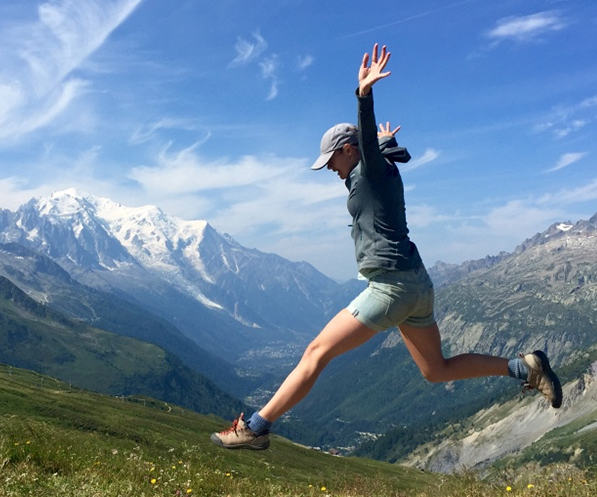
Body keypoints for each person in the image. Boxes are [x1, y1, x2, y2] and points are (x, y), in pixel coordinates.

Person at [212, 43, 562, 451]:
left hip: (392, 287)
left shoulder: (370, 169)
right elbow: (371, 161)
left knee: (315, 353)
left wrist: (364, 95)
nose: (329, 169)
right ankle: (525, 368)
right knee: (436, 369)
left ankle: (254, 428)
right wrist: (384, 140)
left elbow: (367, 148)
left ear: (349, 149)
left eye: (332, 160)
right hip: (417, 285)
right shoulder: (376, 171)